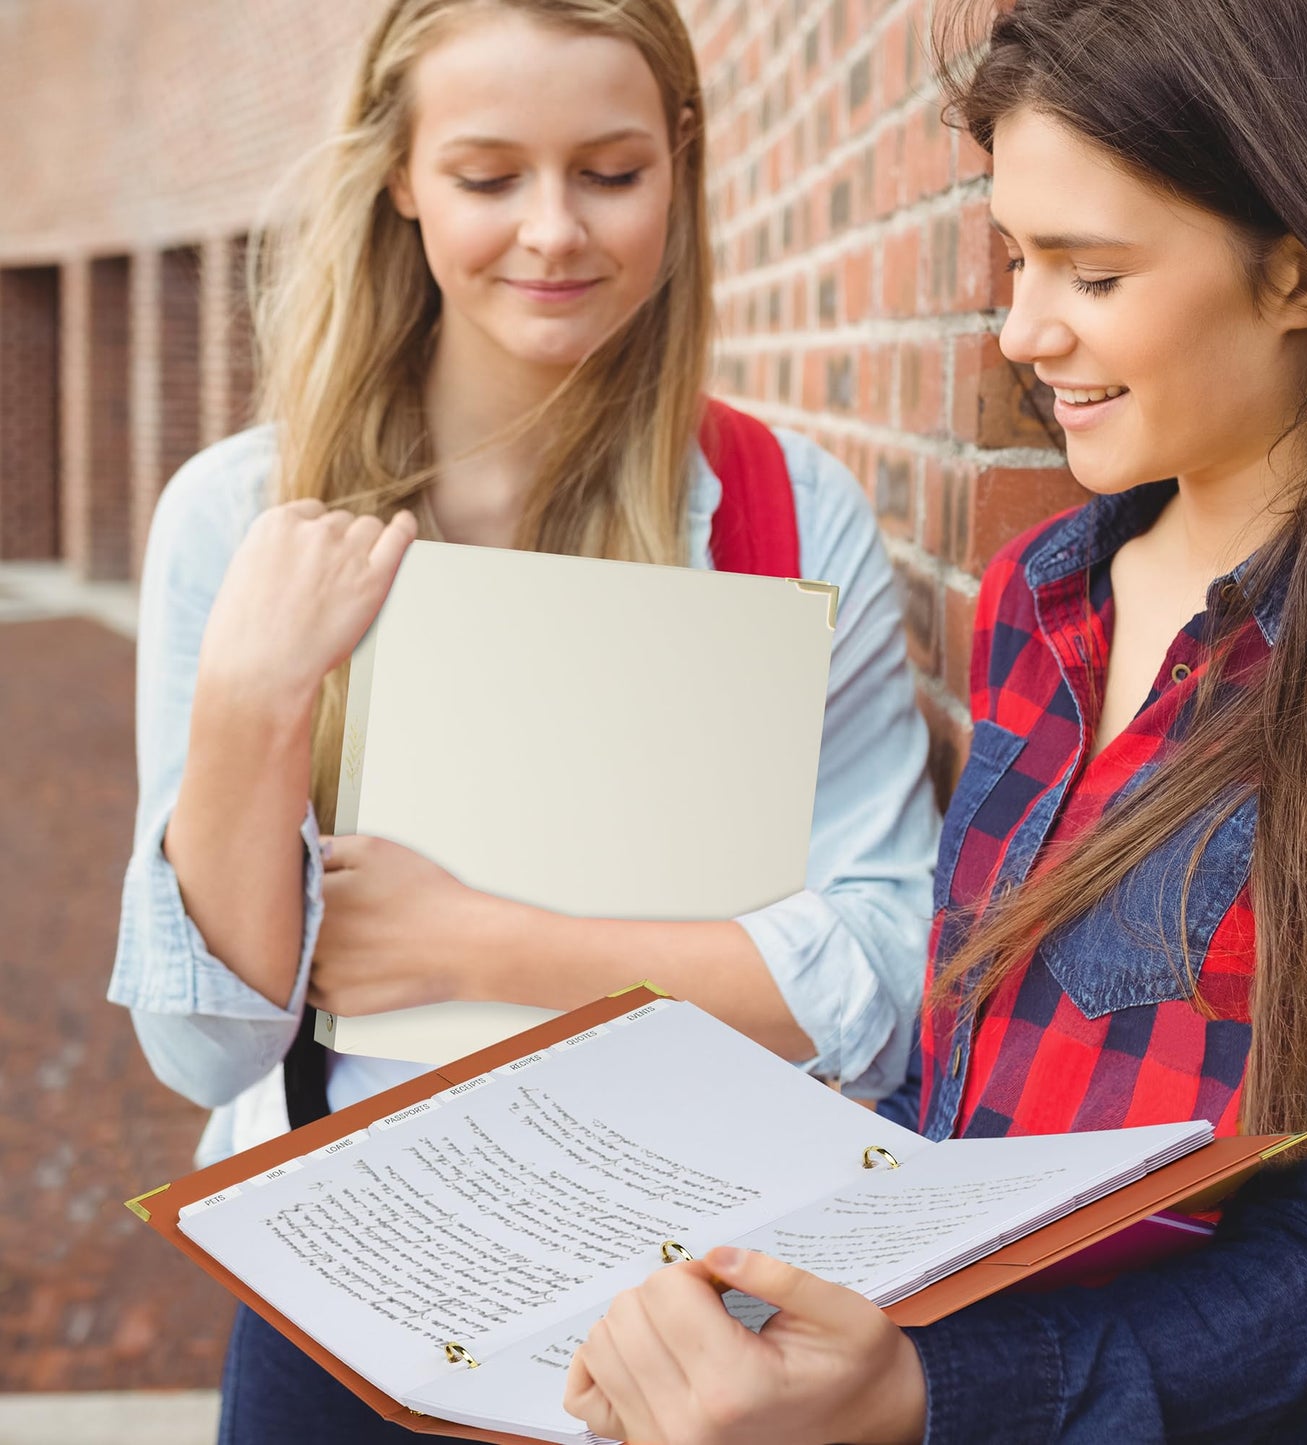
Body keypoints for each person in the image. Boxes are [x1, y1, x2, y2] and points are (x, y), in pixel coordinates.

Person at [562, 0, 1307, 1438]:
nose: (1025, 329)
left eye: (1091, 273)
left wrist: (924, 1391)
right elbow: (954, 1095)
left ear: (1303, 267)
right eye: (1015, 258)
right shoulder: (1038, 599)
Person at [106, 0, 938, 1438]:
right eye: (488, 177)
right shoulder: (240, 517)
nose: (553, 232)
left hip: (690, 1305)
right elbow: (206, 1050)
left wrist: (478, 944)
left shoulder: (785, 514)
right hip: (346, 1292)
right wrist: (251, 702)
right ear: (401, 177)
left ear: (681, 160)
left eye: (610, 172)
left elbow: (887, 977)